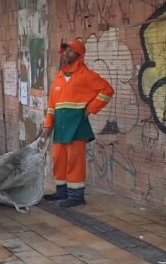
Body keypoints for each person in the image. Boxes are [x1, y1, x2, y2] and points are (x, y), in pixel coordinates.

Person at [41, 39, 114, 207]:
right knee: (59, 159)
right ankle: (61, 192)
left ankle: (76, 196)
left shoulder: (86, 75)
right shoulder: (59, 77)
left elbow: (107, 90)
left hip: (77, 126)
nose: (66, 53)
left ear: (79, 54)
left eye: (70, 50)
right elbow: (52, 106)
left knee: (75, 161)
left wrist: (91, 108)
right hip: (60, 127)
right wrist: (47, 126)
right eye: (65, 50)